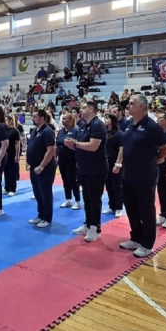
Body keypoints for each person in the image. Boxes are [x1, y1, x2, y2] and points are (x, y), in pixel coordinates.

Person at [115, 95, 166, 258]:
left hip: (145, 176)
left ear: (141, 106)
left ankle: (147, 244)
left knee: (146, 210)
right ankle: (136, 238)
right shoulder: (127, 125)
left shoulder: (151, 126)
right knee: (131, 209)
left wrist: (156, 157)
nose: (128, 105)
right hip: (128, 174)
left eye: (132, 103)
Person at [63, 101, 108, 242]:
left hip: (96, 168)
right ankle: (88, 224)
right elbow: (82, 147)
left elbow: (93, 146)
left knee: (94, 199)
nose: (80, 110)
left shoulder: (97, 125)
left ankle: (95, 227)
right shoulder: (84, 126)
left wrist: (75, 143)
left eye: (83, 108)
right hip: (85, 168)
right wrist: (73, 145)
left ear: (91, 109)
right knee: (87, 199)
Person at [27, 110, 58, 228]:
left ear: (42, 118)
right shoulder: (35, 130)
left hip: (45, 167)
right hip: (34, 167)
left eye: (34, 116)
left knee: (45, 193)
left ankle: (47, 218)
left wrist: (42, 166)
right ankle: (40, 214)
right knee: (37, 192)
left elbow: (51, 150)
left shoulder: (47, 131)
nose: (32, 118)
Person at [56, 113, 81, 210]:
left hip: (72, 159)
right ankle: (68, 199)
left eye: (65, 119)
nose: (63, 121)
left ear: (71, 120)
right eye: (62, 119)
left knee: (73, 180)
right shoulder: (61, 131)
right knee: (65, 179)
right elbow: (57, 143)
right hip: (62, 158)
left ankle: (78, 201)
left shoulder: (76, 130)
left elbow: (78, 145)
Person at [102, 114, 123, 219]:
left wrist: (118, 163)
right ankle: (112, 206)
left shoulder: (119, 134)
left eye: (107, 118)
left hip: (115, 160)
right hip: (106, 161)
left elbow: (121, 149)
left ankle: (119, 207)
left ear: (113, 120)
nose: (105, 120)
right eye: (105, 118)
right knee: (108, 184)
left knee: (117, 185)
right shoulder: (104, 133)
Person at [4, 115, 21, 198]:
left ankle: (12, 189)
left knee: (12, 171)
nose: (5, 122)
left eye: (6, 120)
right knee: (6, 171)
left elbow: (17, 143)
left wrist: (17, 154)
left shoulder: (14, 131)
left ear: (11, 121)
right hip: (4, 153)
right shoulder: (3, 130)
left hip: (12, 152)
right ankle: (6, 187)